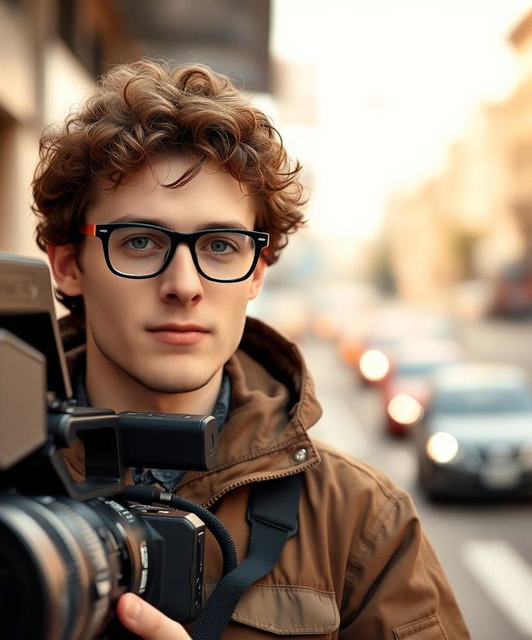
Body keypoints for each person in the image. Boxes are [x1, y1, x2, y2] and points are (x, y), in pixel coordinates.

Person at [31, 58, 471, 639]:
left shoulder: (360, 521)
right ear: (69, 266)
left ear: (256, 273)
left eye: (219, 245)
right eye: (140, 242)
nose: (184, 285)